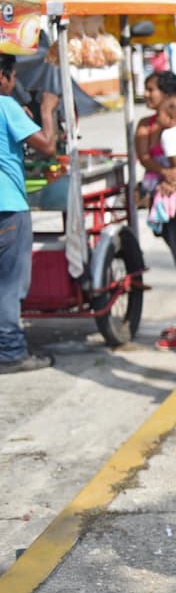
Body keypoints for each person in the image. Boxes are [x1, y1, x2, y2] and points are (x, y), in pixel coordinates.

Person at [134, 71, 176, 350]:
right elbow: (145, 158)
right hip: (165, 201)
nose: (147, 95)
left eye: (151, 89)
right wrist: (170, 174)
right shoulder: (148, 125)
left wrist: (174, 178)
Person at [0, 54, 60, 373]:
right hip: (7, 206)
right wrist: (47, 111)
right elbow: (48, 146)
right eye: (13, 77)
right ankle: (10, 351)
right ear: (3, 77)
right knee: (10, 283)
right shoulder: (5, 105)